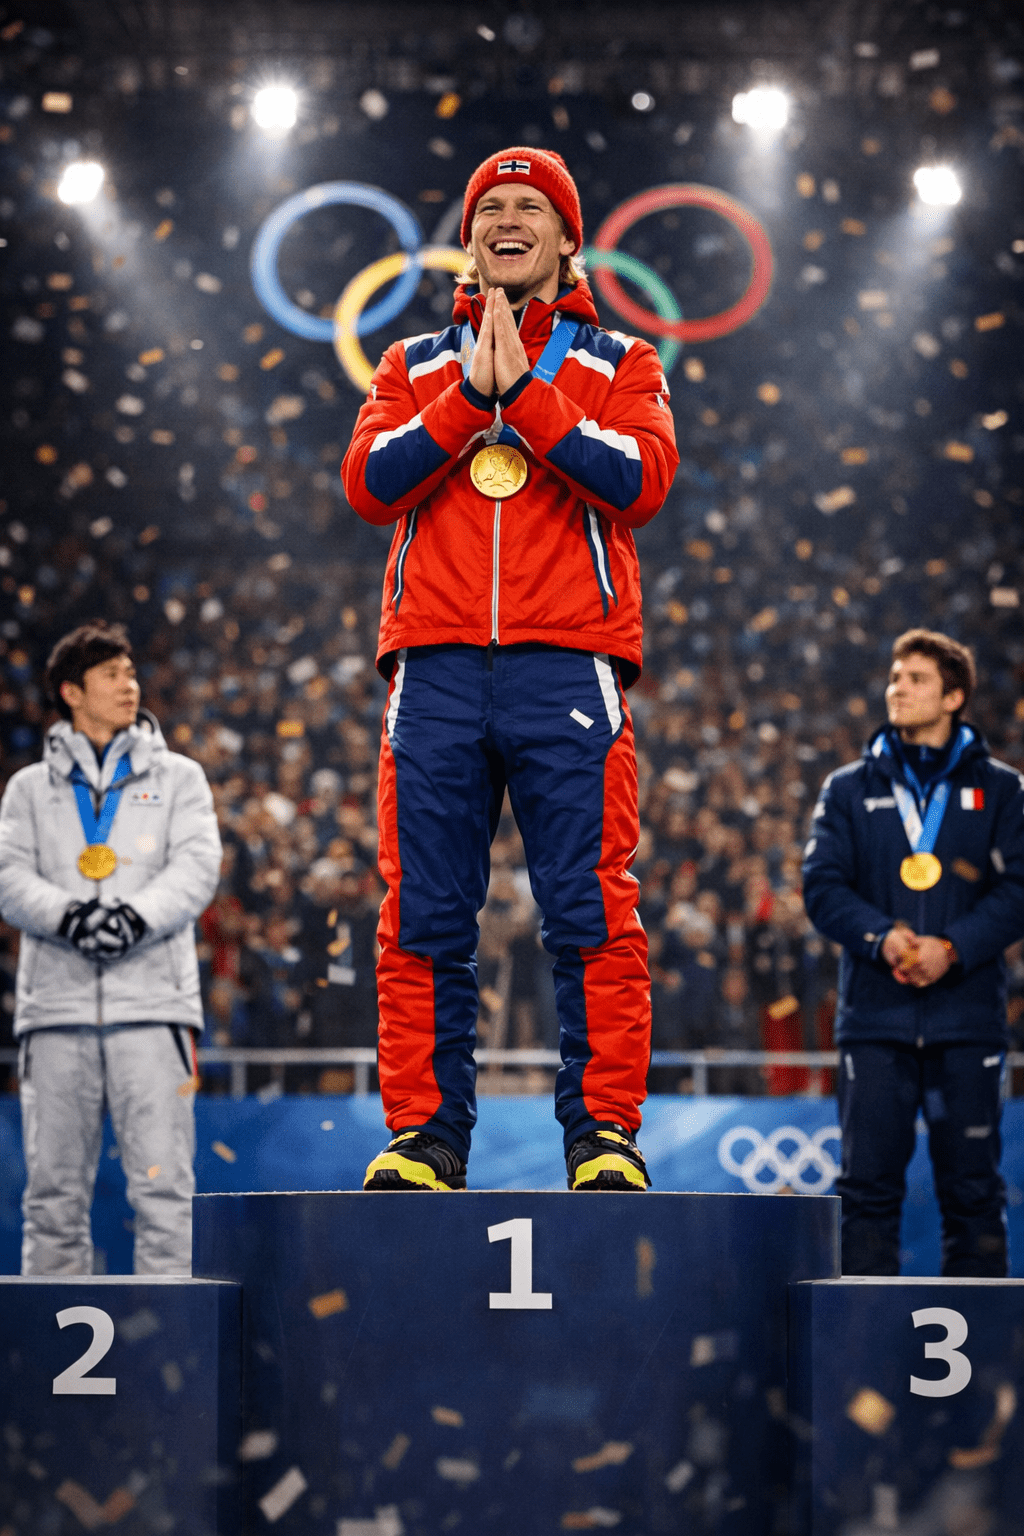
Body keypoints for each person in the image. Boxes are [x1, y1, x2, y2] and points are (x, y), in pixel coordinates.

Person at [342, 147, 679, 1191]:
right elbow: (367, 483)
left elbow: (641, 482)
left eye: (532, 206)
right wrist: (463, 403)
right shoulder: (410, 365)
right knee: (422, 916)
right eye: (491, 206)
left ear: (568, 238)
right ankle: (425, 1139)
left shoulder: (621, 360)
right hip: (435, 669)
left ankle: (603, 1138)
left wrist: (524, 396)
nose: (508, 217)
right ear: (469, 236)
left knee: (589, 908)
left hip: (566, 665)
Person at [0, 622, 221, 1274]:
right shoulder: (28, 790)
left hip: (154, 1008)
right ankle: (51, 1365)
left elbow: (197, 868)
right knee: (52, 1196)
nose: (130, 686)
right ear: (72, 691)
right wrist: (70, 917)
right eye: (112, 676)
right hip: (57, 1011)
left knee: (164, 1193)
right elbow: (9, 879)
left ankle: (171, 1356)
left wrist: (132, 917)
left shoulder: (179, 778)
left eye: (131, 673)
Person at [802, 629, 1024, 1275]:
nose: (897, 688)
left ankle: (978, 1367)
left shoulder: (1003, 791)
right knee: (866, 1193)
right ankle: (860, 1360)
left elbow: (1019, 888)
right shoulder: (848, 788)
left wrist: (953, 947)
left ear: (954, 696)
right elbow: (821, 886)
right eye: (895, 677)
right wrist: (883, 938)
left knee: (974, 1196)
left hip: (966, 1023)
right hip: (876, 1022)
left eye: (916, 679)